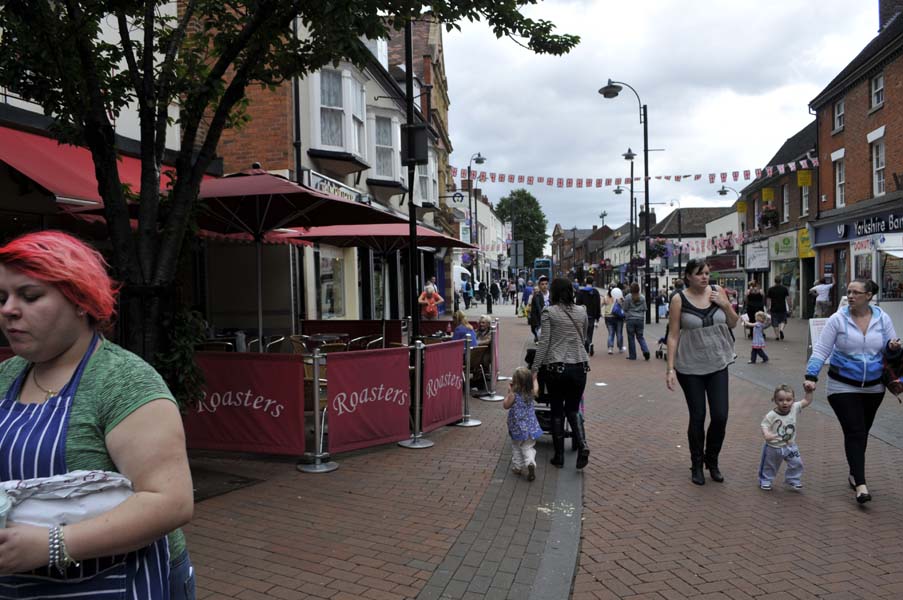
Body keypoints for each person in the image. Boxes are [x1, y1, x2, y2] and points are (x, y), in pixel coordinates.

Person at [0, 231, 194, 598]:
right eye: (2, 297)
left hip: (118, 583)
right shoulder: (7, 376)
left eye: (29, 296)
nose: (9, 309)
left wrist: (54, 544)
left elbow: (170, 501)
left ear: (80, 301)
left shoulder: (124, 382)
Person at [804, 278, 901, 504]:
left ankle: (853, 470)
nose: (850, 296)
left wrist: (893, 347)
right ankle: (861, 484)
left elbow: (890, 347)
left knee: (861, 432)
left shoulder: (882, 318)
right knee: (855, 430)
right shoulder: (837, 320)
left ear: (869, 295)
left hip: (874, 386)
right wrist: (811, 375)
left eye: (856, 292)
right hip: (842, 385)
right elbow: (821, 348)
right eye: (848, 292)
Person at [666, 259, 739, 485]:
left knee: (720, 416)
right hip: (690, 367)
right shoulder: (679, 299)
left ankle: (712, 460)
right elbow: (673, 335)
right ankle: (696, 464)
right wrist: (670, 368)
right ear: (688, 276)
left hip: (718, 362)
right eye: (699, 274)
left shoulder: (718, 292)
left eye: (707, 273)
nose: (705, 277)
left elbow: (734, 323)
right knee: (697, 416)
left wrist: (725, 305)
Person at [531, 278, 590, 469]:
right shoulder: (582, 311)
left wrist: (534, 370)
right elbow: (585, 336)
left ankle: (559, 456)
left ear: (554, 292)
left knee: (557, 410)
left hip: (556, 367)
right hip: (580, 366)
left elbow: (544, 343)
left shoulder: (550, 312)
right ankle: (582, 446)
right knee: (573, 409)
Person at [759, 384, 813, 491]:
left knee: (797, 463)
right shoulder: (771, 415)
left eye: (788, 400)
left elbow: (806, 401)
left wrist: (809, 392)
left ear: (793, 400)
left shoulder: (794, 407)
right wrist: (766, 434)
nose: (785, 403)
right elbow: (764, 424)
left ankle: (793, 479)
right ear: (775, 400)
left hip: (790, 445)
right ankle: (766, 480)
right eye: (781, 400)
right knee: (770, 465)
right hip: (773, 446)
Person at [503, 367, 543, 481]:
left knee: (516, 446)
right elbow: (536, 386)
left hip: (517, 427)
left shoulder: (514, 395)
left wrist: (509, 392)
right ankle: (530, 462)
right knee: (528, 446)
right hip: (531, 427)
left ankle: (517, 467)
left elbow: (505, 405)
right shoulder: (531, 393)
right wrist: (535, 378)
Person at [624, 282, 650, 361]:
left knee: (631, 337)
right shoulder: (642, 297)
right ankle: (646, 350)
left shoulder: (628, 297)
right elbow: (645, 308)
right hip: (640, 319)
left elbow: (625, 308)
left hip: (630, 319)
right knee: (640, 336)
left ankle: (633, 355)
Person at [575, 276, 601, 355]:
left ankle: (587, 346)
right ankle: (590, 344)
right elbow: (597, 304)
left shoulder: (581, 292)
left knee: (584, 333)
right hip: (592, 316)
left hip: (583, 315)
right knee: (590, 332)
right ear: (592, 282)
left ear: (586, 282)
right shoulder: (595, 292)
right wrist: (597, 316)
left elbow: (577, 304)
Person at [528, 276, 550, 343]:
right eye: (542, 284)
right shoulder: (536, 297)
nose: (544, 286)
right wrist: (535, 324)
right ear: (539, 286)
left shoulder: (552, 295)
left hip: (551, 320)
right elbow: (534, 312)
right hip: (540, 321)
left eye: (546, 284)